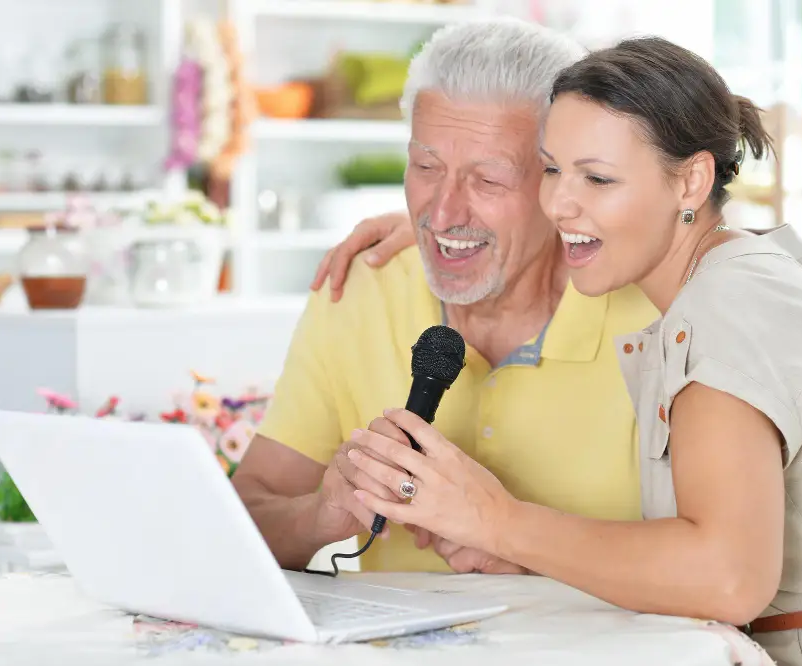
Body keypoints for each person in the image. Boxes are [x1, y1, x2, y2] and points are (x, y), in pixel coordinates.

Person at [324, 36, 802, 666]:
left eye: (598, 177)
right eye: (552, 169)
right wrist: (459, 226)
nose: (559, 202)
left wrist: (497, 519)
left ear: (692, 180)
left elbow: (729, 577)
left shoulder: (727, 305)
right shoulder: (736, 276)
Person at [232, 19, 659, 576]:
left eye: (488, 180)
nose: (444, 213)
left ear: (561, 183)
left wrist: (520, 553)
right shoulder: (361, 286)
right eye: (426, 167)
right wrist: (323, 515)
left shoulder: (651, 310)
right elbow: (241, 518)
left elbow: (716, 565)